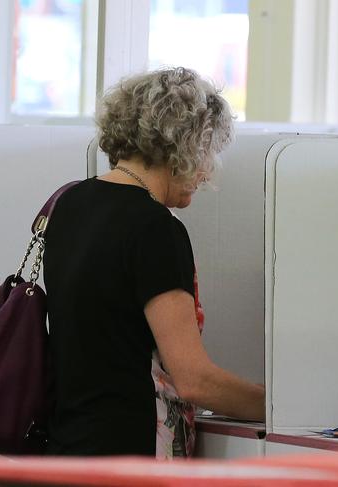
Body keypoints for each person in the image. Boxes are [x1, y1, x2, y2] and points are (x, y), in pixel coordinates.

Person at [43, 67, 265, 458]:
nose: (206, 171)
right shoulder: (156, 229)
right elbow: (193, 379)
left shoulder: (70, 205)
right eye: (206, 152)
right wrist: (278, 406)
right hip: (127, 455)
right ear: (181, 145)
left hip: (66, 448)